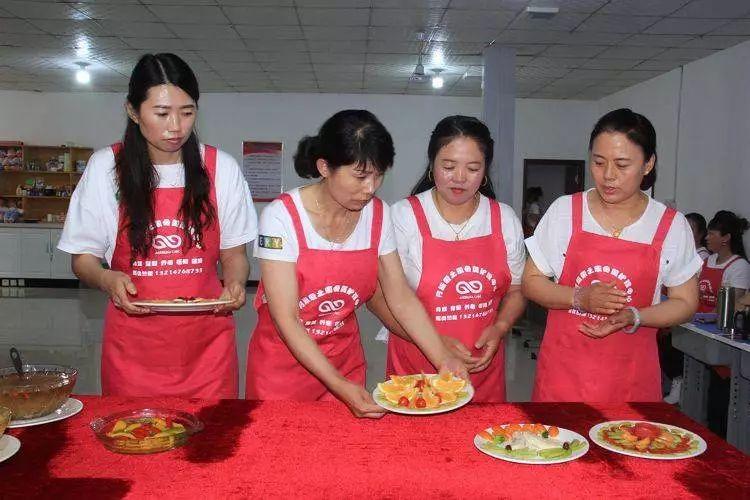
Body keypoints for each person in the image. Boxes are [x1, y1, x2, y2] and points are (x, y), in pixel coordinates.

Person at [58, 53, 257, 397]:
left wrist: (236, 283)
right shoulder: (107, 168)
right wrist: (107, 278)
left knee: (209, 443)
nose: (176, 127)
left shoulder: (220, 168)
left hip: (206, 350)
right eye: (162, 113)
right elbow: (83, 259)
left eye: (188, 112)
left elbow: (234, 253)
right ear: (133, 111)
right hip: (133, 350)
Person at [245, 110, 467, 418]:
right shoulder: (281, 217)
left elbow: (400, 297)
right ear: (325, 167)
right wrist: (339, 385)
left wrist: (443, 358)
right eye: (361, 176)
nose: (371, 187)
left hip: (344, 361)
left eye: (379, 175)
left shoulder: (378, 215)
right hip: (281, 370)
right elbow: (287, 319)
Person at [522, 108, 701, 402]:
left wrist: (635, 315)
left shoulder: (670, 225)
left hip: (631, 379)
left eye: (622, 164)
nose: (608, 176)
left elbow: (685, 302)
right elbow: (531, 281)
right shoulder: (565, 211)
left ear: (648, 164)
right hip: (564, 376)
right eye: (598, 162)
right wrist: (579, 297)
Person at [367, 116, 526, 402]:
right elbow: (377, 297)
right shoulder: (402, 217)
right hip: (416, 367)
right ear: (432, 164)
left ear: (486, 170)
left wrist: (501, 327)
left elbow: (517, 290)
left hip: (480, 367)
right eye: (449, 166)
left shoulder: (504, 219)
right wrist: (435, 344)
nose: (460, 178)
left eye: (473, 168)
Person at [697, 210, 750, 312]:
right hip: (695, 321)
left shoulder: (740, 266)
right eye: (707, 233)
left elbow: (731, 305)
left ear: (726, 238)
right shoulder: (708, 260)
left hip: (718, 324)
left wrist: (705, 318)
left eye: (711, 234)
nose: (707, 238)